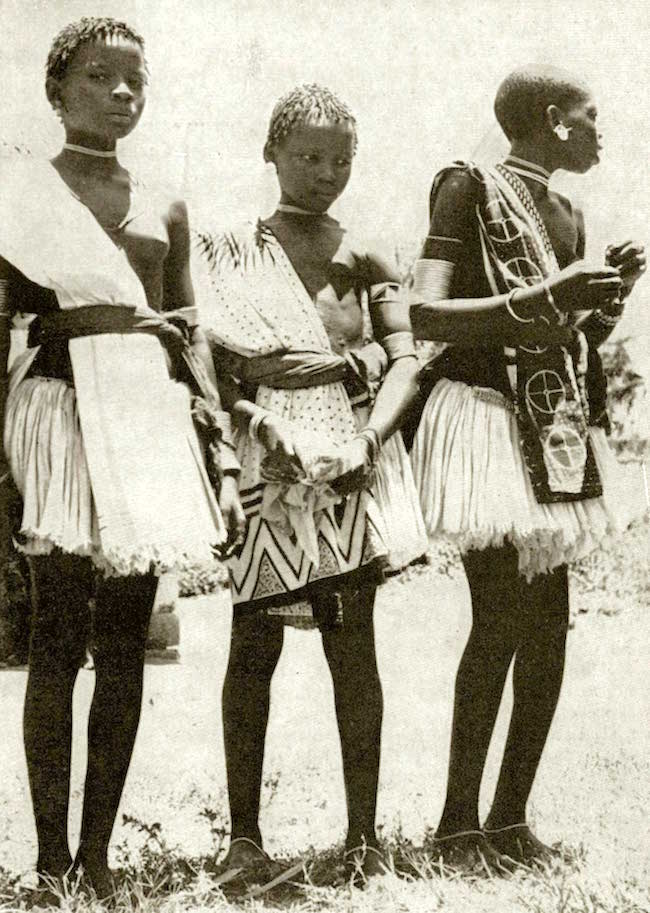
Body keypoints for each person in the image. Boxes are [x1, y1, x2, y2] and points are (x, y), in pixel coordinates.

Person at [0, 17, 243, 900]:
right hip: (61, 413)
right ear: (57, 91)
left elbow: (189, 332)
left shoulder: (166, 203)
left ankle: (98, 852)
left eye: (136, 79)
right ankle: (48, 854)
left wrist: (217, 452)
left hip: (146, 418)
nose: (122, 93)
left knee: (125, 641)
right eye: (100, 77)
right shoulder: (22, 191)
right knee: (58, 636)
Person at [409, 65, 645, 871]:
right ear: (554, 119)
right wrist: (551, 292)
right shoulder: (467, 187)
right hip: (481, 420)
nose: (603, 127)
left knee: (547, 629)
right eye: (592, 112)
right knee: (499, 619)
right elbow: (425, 314)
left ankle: (509, 818)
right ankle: (455, 823)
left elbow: (563, 332)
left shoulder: (569, 210)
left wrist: (603, 303)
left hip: (552, 431)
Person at [195, 84, 427, 885]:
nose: (325, 173)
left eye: (340, 160)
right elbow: (212, 367)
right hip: (267, 452)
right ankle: (244, 838)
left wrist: (367, 440)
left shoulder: (366, 253)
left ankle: (362, 835)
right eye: (308, 157)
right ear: (272, 153)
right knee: (253, 640)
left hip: (351, 456)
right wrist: (260, 425)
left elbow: (405, 359)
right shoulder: (230, 249)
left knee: (351, 642)